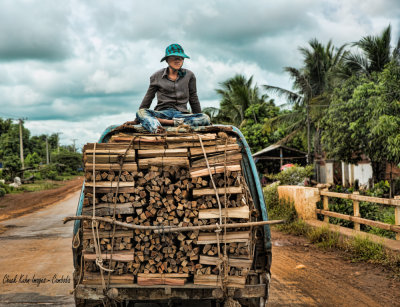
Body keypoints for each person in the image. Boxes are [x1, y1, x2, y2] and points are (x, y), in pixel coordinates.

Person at [132, 44, 211, 133]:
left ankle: (166, 124)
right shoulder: (156, 76)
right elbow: (148, 98)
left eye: (180, 58)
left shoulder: (190, 76)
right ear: (167, 60)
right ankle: (159, 129)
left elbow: (193, 98)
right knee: (141, 112)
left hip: (182, 115)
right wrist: (138, 119)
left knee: (205, 118)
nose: (177, 61)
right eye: (174, 57)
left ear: (183, 60)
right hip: (162, 114)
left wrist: (198, 116)